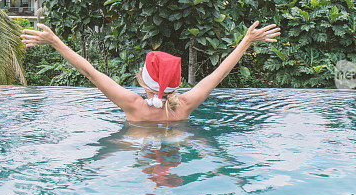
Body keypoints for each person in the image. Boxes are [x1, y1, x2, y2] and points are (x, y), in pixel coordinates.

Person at [21, 21, 280, 122]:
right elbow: (218, 75)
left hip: (136, 146)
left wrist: (55, 42)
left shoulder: (133, 105)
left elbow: (89, 72)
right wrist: (246, 41)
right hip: (178, 147)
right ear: (175, 86)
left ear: (144, 82)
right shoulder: (185, 105)